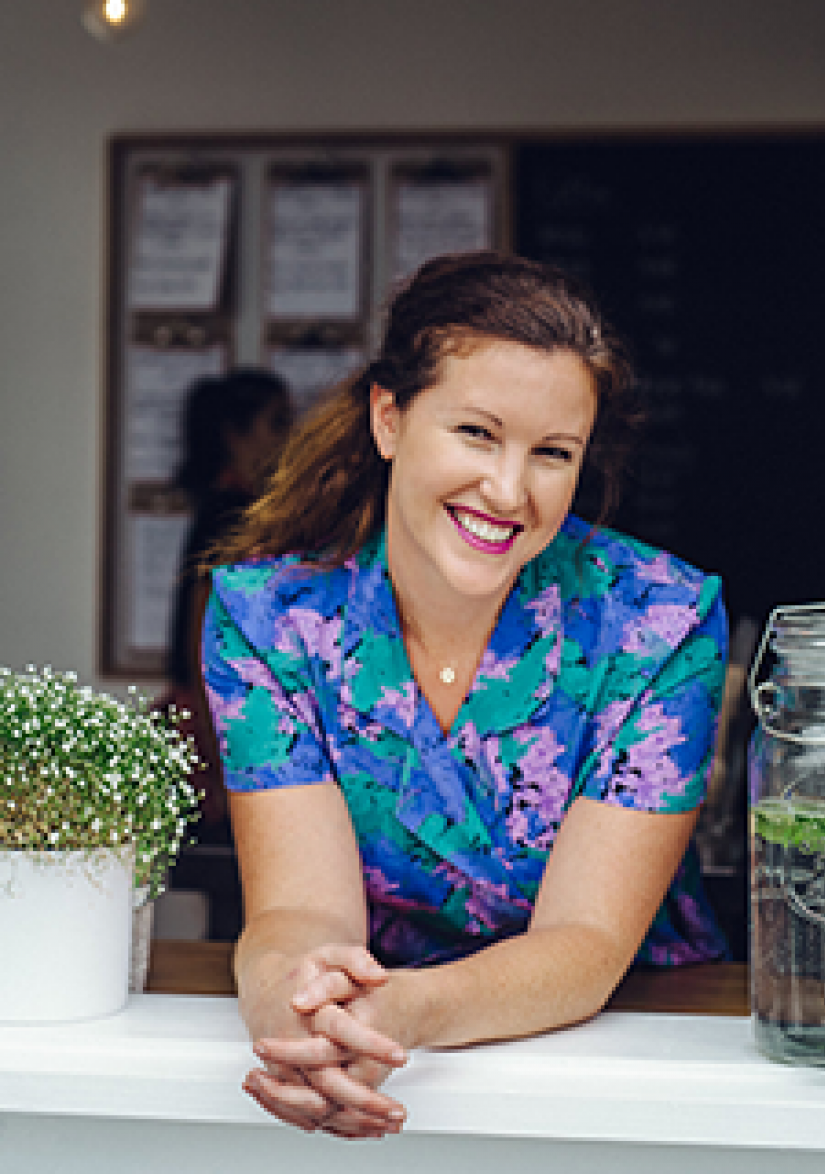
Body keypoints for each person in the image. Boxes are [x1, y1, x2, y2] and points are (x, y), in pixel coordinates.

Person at [201, 251, 729, 1138]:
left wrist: (406, 1014)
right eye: (477, 434)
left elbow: (586, 946)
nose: (508, 489)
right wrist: (296, 1013)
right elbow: (300, 911)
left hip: (624, 1074)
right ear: (389, 418)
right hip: (381, 1059)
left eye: (552, 453)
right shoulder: (269, 619)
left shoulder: (661, 623)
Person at [165, 367, 294, 837]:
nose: (290, 439)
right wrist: (217, 753)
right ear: (234, 433)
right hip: (217, 727)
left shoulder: (225, 507)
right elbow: (205, 633)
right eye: (278, 423)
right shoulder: (232, 517)